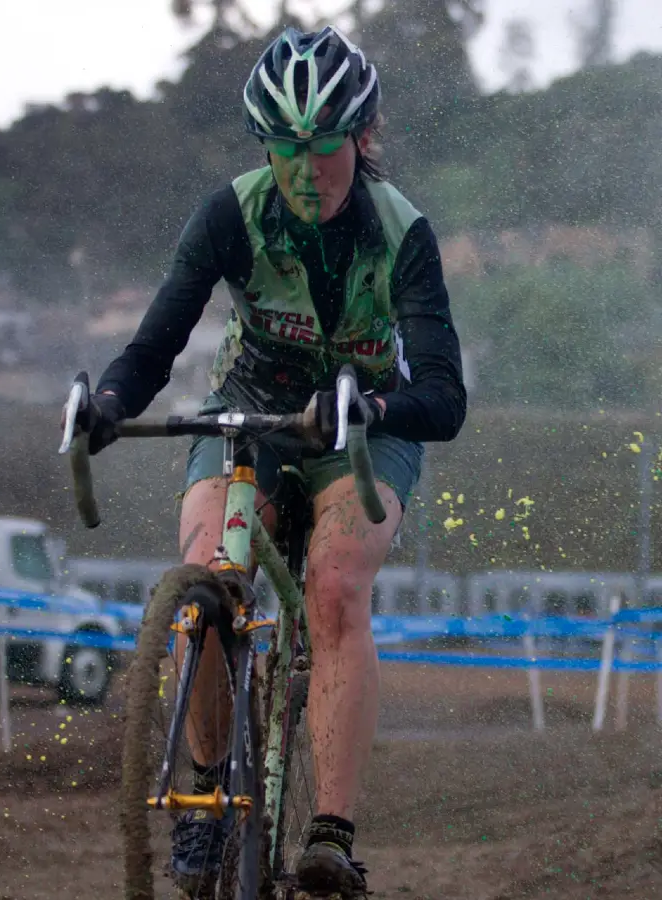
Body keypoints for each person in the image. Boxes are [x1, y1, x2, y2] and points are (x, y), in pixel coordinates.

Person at [78, 24, 466, 899]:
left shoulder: (402, 233)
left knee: (333, 587)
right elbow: (153, 348)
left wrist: (371, 405)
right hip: (248, 408)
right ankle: (207, 795)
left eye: (323, 145)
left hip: (365, 424)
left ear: (363, 139)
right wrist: (107, 403)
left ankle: (331, 829)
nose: (303, 169)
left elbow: (444, 396)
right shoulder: (230, 213)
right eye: (283, 146)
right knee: (206, 577)